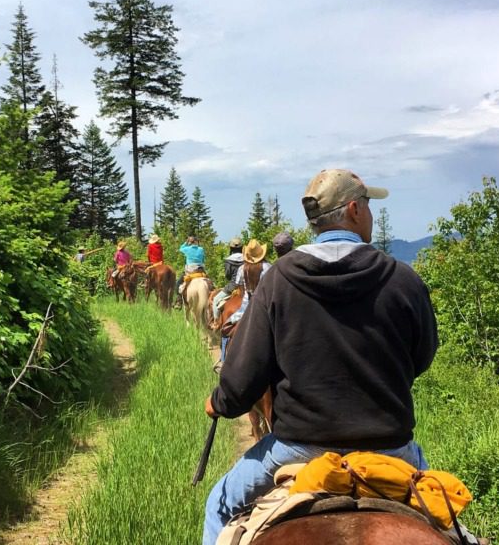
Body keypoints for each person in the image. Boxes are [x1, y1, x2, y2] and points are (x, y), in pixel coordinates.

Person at [201, 169, 439, 545]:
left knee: (220, 505)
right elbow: (422, 357)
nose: (372, 215)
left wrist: (219, 402)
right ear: (355, 210)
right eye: (369, 206)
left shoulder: (278, 280)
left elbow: (245, 374)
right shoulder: (403, 279)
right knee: (449, 519)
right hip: (391, 447)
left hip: (299, 446)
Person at [210, 237, 244, 326]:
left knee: (216, 300)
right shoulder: (246, 258)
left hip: (232, 286)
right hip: (245, 286)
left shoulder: (228, 260)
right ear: (241, 248)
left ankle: (216, 322)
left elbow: (228, 276)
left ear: (231, 248)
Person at [174, 236, 206, 308]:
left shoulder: (187, 249)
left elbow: (180, 248)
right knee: (210, 282)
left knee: (178, 283)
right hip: (200, 270)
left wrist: (186, 242)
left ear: (189, 243)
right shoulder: (201, 249)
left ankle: (179, 301)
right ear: (196, 242)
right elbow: (204, 259)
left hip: (190, 271)